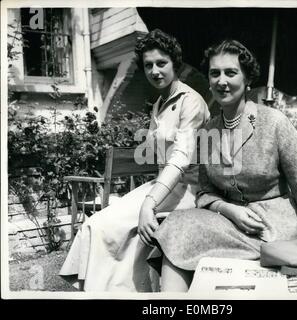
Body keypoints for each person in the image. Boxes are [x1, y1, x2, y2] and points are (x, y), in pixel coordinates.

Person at [150, 39, 297, 292]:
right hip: (230, 224)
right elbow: (204, 192)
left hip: (273, 228)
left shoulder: (274, 122)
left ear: (247, 79)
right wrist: (229, 209)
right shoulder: (208, 130)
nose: (221, 81)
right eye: (214, 73)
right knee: (177, 225)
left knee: (179, 232)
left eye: (231, 72)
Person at [59, 29, 210, 292]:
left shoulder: (191, 102)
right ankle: (108, 289)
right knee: (96, 224)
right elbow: (159, 155)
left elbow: (182, 157)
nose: (154, 71)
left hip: (189, 189)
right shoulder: (159, 104)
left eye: (161, 63)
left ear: (176, 64)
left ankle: (121, 290)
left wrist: (148, 203)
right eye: (148, 65)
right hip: (163, 185)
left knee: (109, 227)